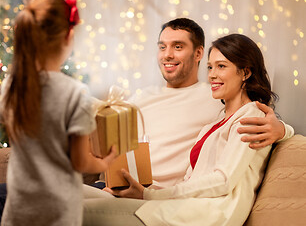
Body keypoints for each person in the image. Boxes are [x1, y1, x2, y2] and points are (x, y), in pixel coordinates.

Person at [0, 18, 292, 225]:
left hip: (160, 195)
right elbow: (99, 111)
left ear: (196, 53)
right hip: (122, 186)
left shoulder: (211, 99)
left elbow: (254, 125)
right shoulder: (158, 97)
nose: (168, 54)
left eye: (178, 47)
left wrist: (281, 129)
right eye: (163, 46)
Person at [82, 20, 294, 225]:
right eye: (210, 68)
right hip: (178, 205)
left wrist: (283, 130)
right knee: (63, 199)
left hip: (205, 214)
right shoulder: (213, 124)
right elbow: (189, 182)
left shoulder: (251, 116)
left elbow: (223, 180)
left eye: (221, 66)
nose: (212, 75)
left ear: (245, 72)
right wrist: (145, 192)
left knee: (78, 211)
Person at [0, 0, 116, 226]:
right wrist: (104, 162)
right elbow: (81, 162)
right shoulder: (75, 93)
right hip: (57, 211)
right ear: (68, 36)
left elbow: (15, 134)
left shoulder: (11, 85)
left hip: (18, 208)